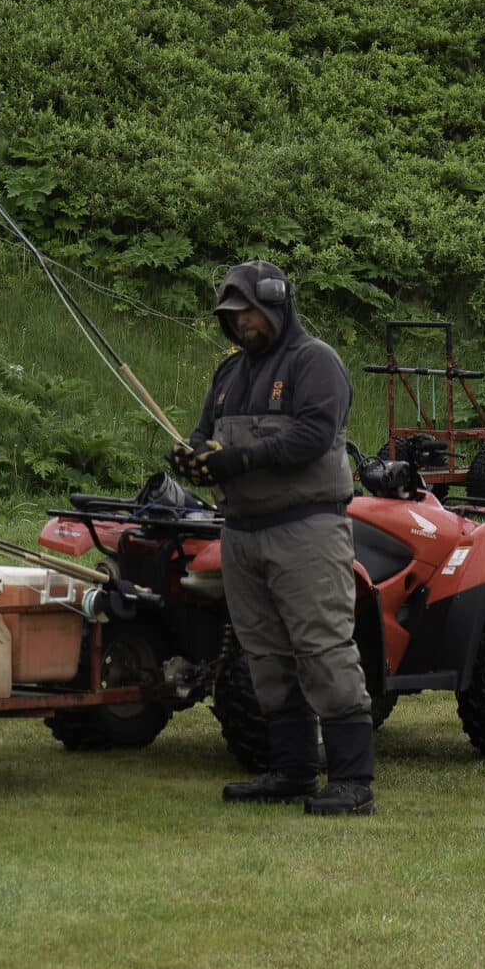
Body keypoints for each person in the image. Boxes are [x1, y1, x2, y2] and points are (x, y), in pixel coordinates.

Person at [170, 259, 373, 816]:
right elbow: (202, 433)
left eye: (251, 313)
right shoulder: (228, 373)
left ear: (277, 305)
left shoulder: (316, 362)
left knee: (323, 648)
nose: (243, 325)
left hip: (306, 530)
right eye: (233, 317)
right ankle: (292, 770)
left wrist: (237, 460)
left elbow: (312, 436)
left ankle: (354, 780)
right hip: (241, 534)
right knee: (265, 656)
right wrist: (191, 459)